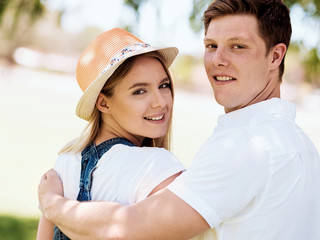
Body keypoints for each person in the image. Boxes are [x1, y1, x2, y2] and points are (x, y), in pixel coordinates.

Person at [38, 0, 320, 239]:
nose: (217, 60)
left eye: (237, 47)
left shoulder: (248, 145)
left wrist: (51, 204)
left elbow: (128, 225)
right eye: (211, 45)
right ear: (103, 103)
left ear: (275, 56)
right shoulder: (296, 143)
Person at [36, 28, 185, 239]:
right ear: (104, 103)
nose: (160, 101)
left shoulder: (63, 164)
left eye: (163, 85)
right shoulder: (156, 167)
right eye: (139, 91)